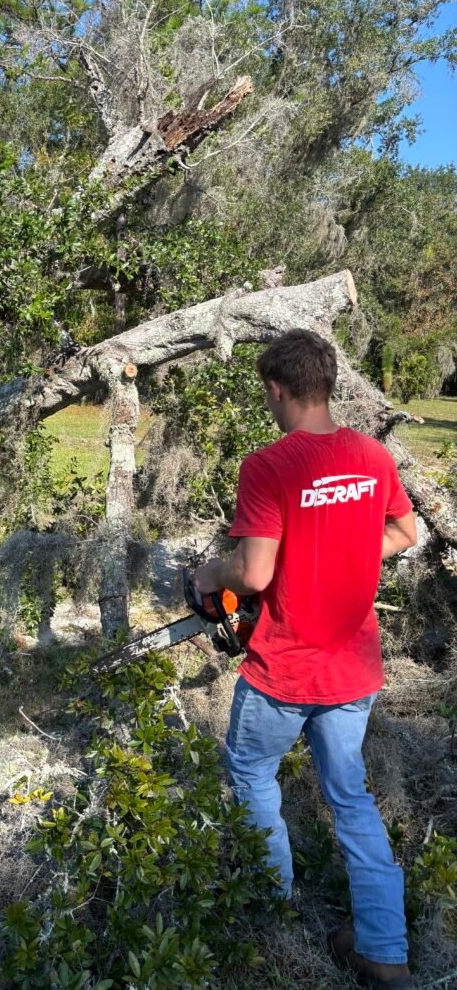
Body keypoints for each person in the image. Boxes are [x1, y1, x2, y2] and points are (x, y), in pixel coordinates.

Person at [192, 328, 417, 990]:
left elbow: (254, 575)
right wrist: (341, 552)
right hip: (354, 671)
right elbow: (405, 532)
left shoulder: (269, 466)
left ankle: (267, 904)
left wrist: (211, 573)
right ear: (330, 383)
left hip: (285, 671)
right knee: (350, 797)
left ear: (276, 388)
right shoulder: (372, 457)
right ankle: (384, 948)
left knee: (253, 773)